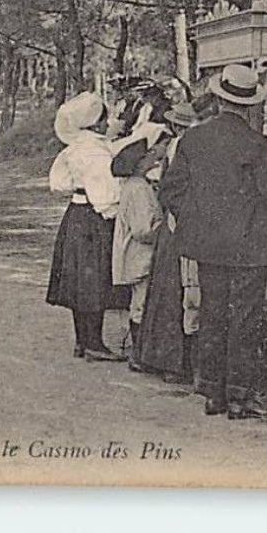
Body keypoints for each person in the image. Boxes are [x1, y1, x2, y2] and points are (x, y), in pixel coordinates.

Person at [159, 64, 267, 419]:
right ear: (249, 105)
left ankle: (212, 393)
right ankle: (239, 396)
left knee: (212, 314)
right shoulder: (257, 143)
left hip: (208, 243)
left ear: (218, 99)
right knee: (246, 319)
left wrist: (198, 219)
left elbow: (171, 190)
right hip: (249, 244)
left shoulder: (193, 139)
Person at [46, 92, 125, 362]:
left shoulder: (74, 147)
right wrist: (113, 213)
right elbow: (103, 193)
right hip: (94, 215)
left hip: (76, 212)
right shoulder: (96, 153)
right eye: (105, 118)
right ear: (95, 123)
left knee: (80, 279)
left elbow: (58, 182)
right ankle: (94, 341)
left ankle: (82, 340)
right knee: (95, 279)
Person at [134, 101, 203, 382]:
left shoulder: (177, 147)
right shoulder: (189, 147)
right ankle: (176, 361)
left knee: (167, 292)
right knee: (179, 291)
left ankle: (161, 358)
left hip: (173, 224)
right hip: (181, 223)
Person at [111, 139, 164, 369]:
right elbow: (143, 229)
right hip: (140, 254)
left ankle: (140, 352)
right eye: (149, 154)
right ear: (140, 163)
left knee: (139, 303)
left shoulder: (136, 185)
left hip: (136, 254)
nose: (154, 157)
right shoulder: (139, 189)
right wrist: (165, 229)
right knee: (141, 304)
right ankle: (140, 355)